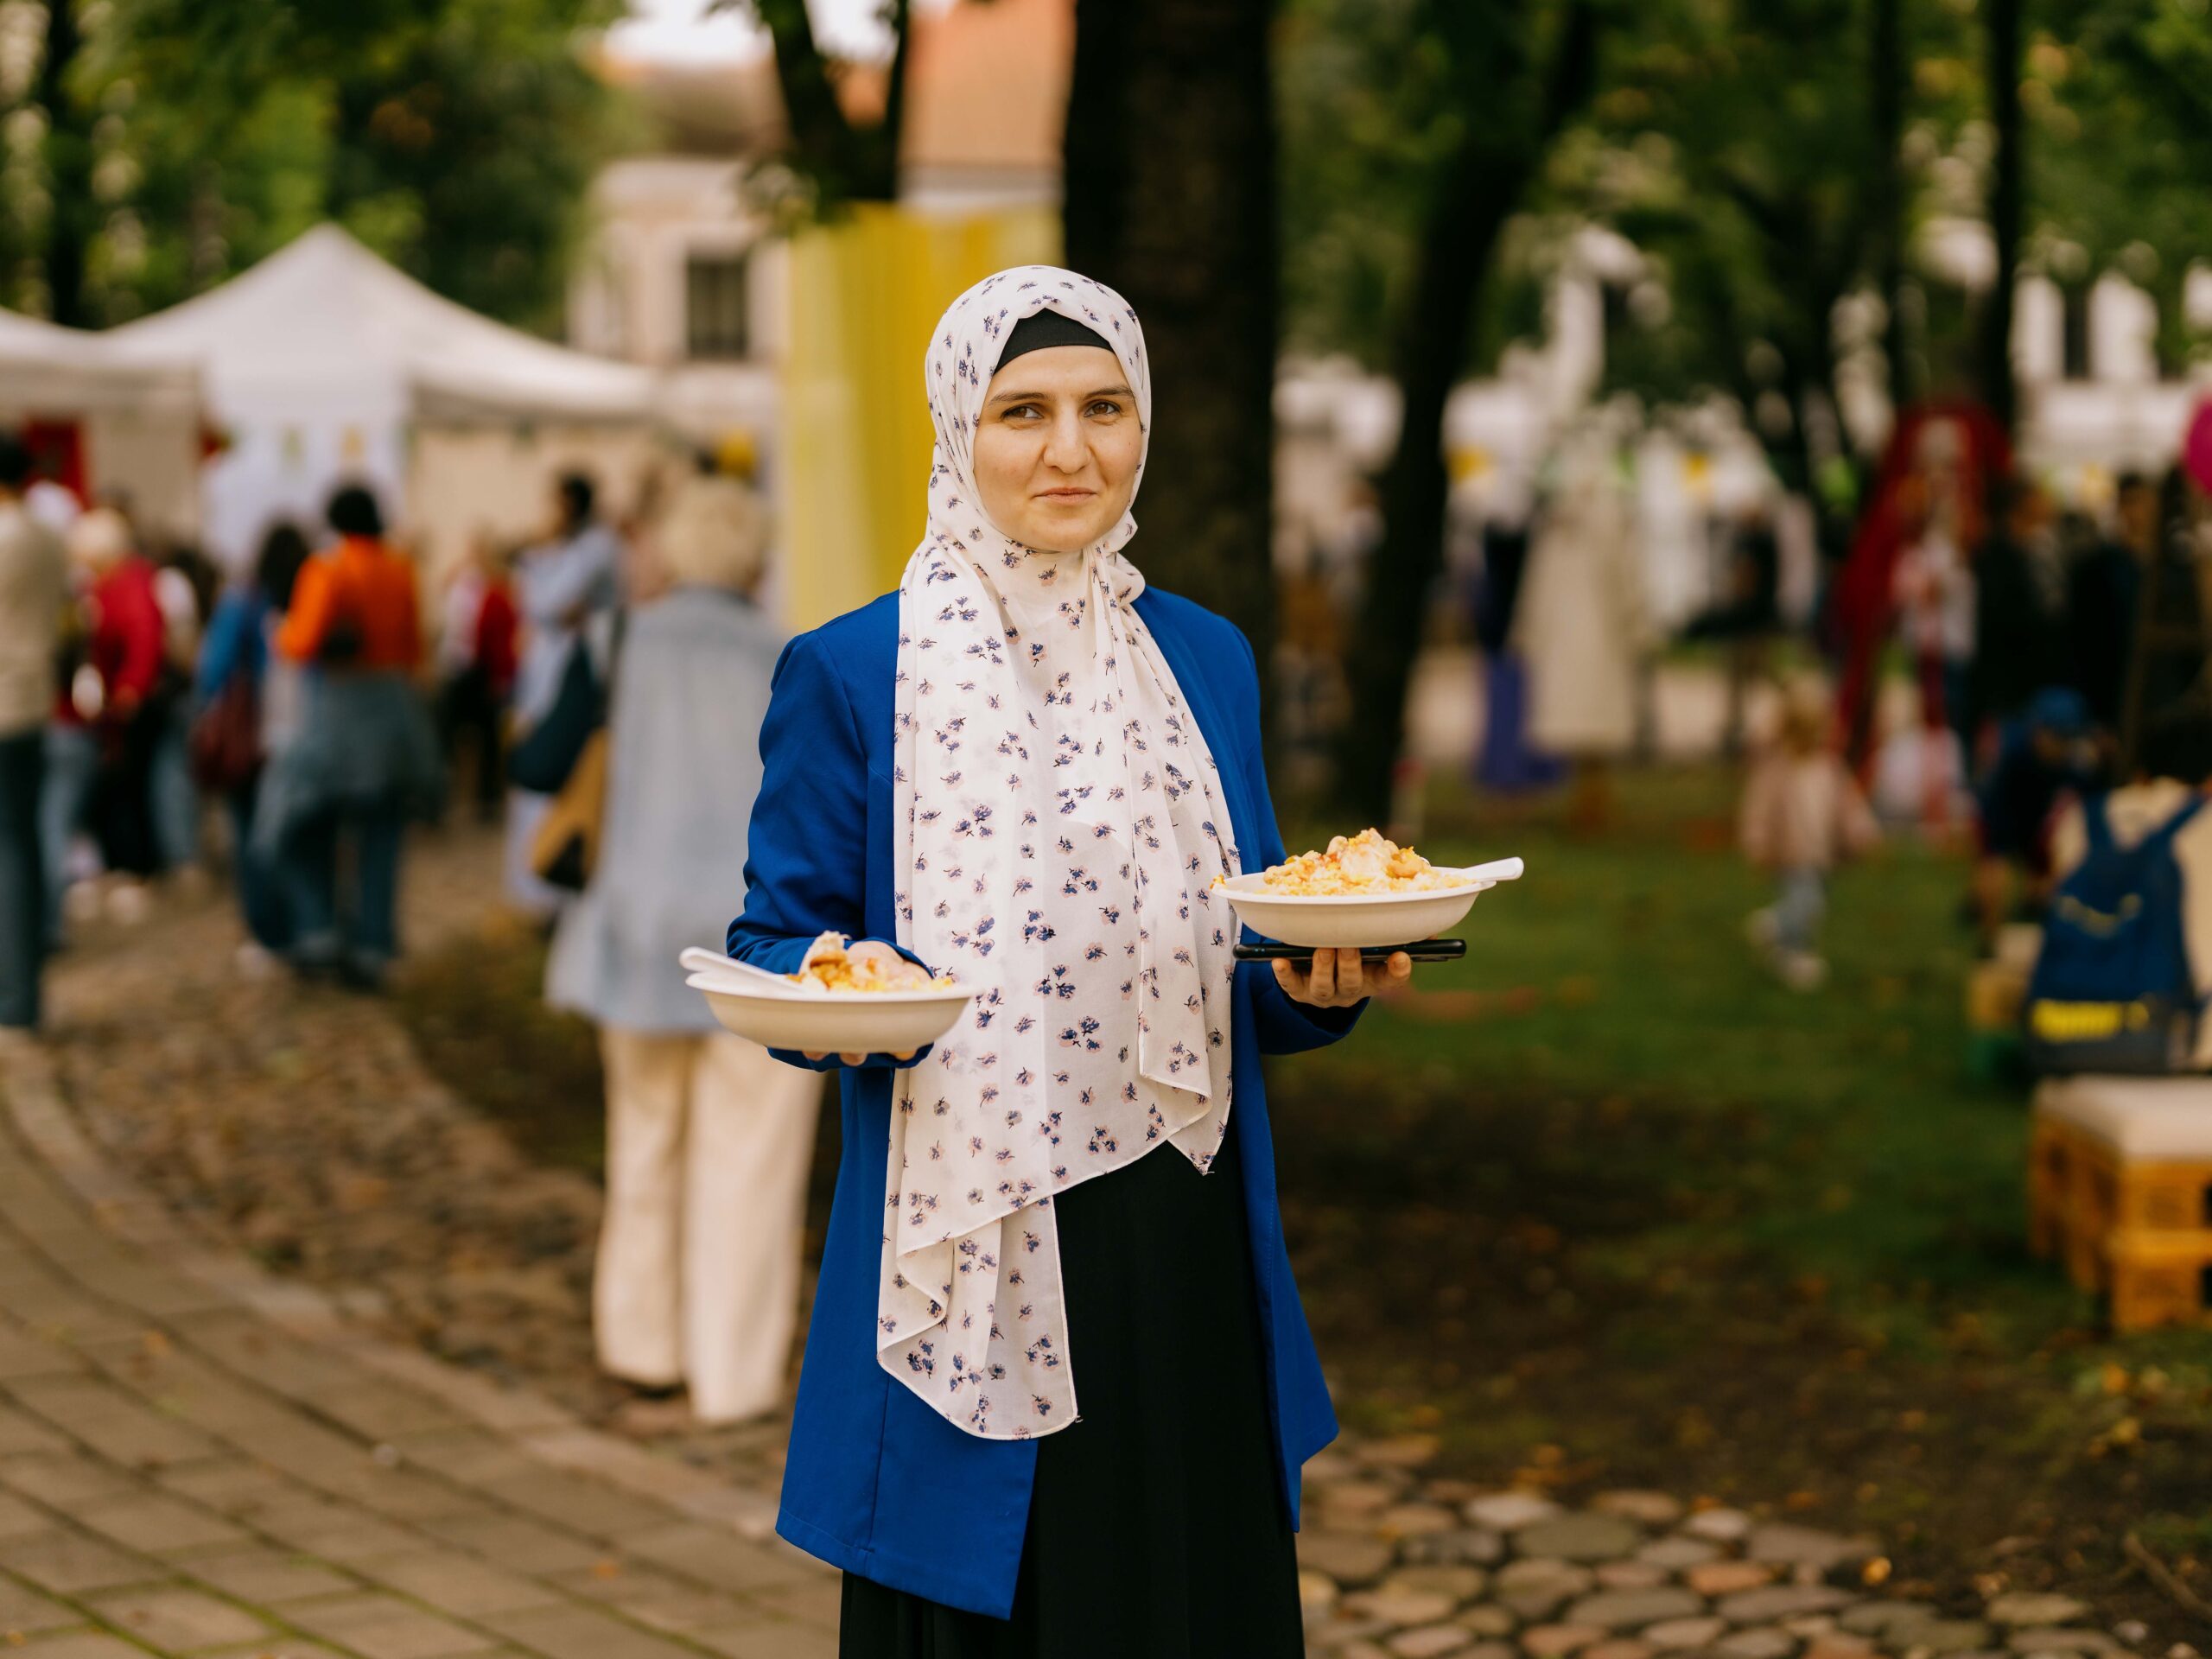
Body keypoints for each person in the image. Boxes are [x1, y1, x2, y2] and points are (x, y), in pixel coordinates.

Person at [728, 270, 1408, 1656]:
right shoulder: (857, 673)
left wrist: (1313, 983)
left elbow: (1256, 935)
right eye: (1022, 411)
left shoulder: (1203, 659)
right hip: (981, 1241)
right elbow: (775, 943)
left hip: (1182, 1239)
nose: (1070, 449)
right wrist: (844, 996)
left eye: (1106, 408)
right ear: (954, 435)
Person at [546, 474, 814, 1422]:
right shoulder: (791, 658)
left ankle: (641, 1345)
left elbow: (537, 760)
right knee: (749, 1162)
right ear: (754, 559)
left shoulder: (614, 640)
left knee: (644, 1142)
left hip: (636, 930)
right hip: (764, 942)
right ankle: (731, 1376)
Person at [262, 484, 438, 988]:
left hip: (339, 711)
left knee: (305, 824)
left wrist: (280, 631)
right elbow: (412, 647)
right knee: (382, 837)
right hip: (392, 710)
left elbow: (301, 641)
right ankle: (373, 945)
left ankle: (320, 930)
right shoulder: (399, 568)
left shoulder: (329, 569)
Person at [2045, 696, 2212, 1067]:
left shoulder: (2083, 818)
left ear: (2140, 771)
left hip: (2065, 1028)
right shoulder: (2205, 821)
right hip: (2186, 1042)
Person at [1515, 440, 1648, 830]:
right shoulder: (1609, 515)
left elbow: (1536, 583)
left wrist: (1530, 631)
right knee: (1596, 728)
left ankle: (1589, 806)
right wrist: (1636, 624)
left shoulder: (1557, 520)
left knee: (1585, 728)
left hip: (1568, 637)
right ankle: (1590, 806)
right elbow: (1627, 578)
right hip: (1600, 637)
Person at [195, 523, 311, 960]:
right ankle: (308, 923)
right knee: (300, 835)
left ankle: (268, 933)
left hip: (250, 736)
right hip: (301, 731)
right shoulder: (309, 599)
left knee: (251, 839)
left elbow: (214, 670)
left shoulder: (242, 602)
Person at [509, 472, 621, 915]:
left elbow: (550, 603)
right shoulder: (570, 549)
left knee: (563, 773)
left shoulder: (596, 548)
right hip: (549, 674)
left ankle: (553, 883)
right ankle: (538, 881)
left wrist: (536, 564)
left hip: (576, 678)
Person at [1740, 686, 1879, 990]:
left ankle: (1779, 932)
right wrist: (1757, 842)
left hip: (1821, 853)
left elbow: (1847, 805)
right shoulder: (1776, 771)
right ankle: (1792, 947)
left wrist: (1861, 832)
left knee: (1813, 902)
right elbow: (1759, 811)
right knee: (1808, 901)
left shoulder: (1828, 769)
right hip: (1790, 853)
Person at [0, 435, 66, 1032]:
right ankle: (24, 988)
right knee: (22, 844)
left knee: (11, 851)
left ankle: (15, 993)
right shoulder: (48, 536)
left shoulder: (8, 537)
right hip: (33, 701)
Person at [1973, 686, 2102, 951]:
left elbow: (2089, 813)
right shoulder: (2012, 757)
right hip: (2006, 814)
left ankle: (2048, 922)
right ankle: (1989, 941)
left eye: (2066, 739)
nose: (2059, 747)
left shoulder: (2078, 764)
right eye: (2056, 737)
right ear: (2038, 731)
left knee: (2062, 869)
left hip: (2040, 820)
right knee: (1995, 874)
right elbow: (1995, 824)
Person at [435, 535, 518, 824]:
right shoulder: (466, 587)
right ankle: (452, 796)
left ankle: (485, 798)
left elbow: (496, 638)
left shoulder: (494, 591)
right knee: (456, 734)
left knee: (484, 737)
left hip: (480, 670)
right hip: (463, 668)